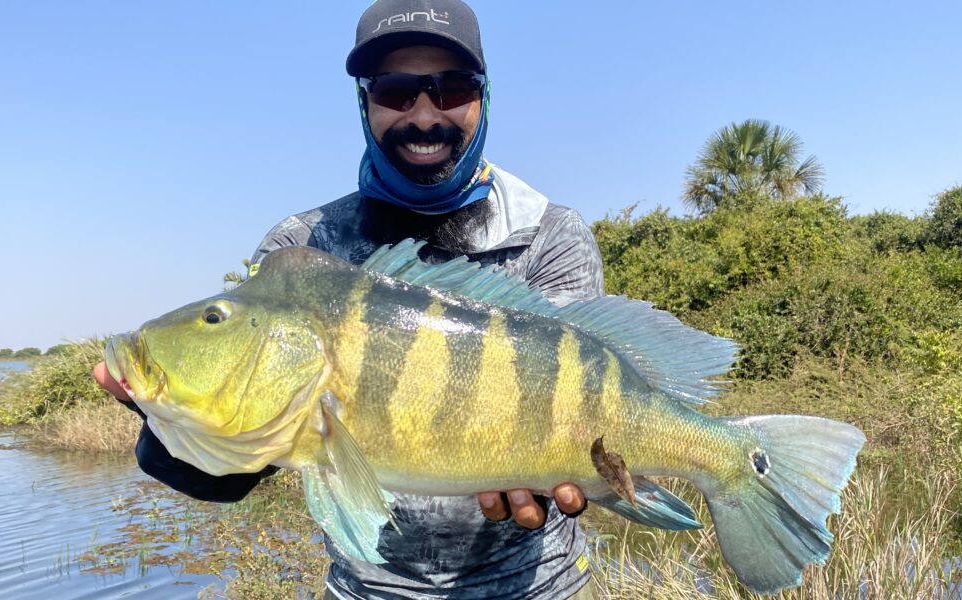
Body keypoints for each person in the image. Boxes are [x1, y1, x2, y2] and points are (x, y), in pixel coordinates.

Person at [93, 1, 606, 598]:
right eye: (395, 91)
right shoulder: (300, 250)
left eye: (451, 89)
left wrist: (560, 469)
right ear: (365, 102)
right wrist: (170, 419)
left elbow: (585, 408)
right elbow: (233, 478)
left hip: (540, 587)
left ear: (482, 97)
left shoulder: (549, 235)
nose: (423, 115)